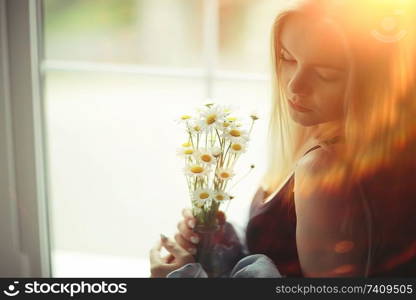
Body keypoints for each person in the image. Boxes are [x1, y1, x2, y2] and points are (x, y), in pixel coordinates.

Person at [149, 0, 416, 277]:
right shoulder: (327, 136)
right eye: (287, 58)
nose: (294, 85)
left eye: (326, 74)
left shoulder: (323, 165)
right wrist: (220, 245)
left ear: (375, 83)